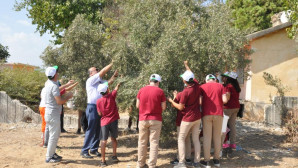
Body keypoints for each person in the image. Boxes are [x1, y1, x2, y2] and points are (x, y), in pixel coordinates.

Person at [81, 62, 118, 158]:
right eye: (95, 70)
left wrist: (114, 76)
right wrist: (113, 63)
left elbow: (109, 82)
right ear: (91, 74)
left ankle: (94, 149)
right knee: (91, 129)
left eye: (97, 69)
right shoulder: (90, 80)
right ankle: (85, 150)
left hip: (98, 107)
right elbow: (102, 72)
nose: (97, 70)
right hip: (92, 107)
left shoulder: (100, 82)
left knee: (98, 129)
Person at [168, 61, 201, 168]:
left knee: (181, 138)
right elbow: (190, 72)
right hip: (197, 117)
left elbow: (180, 107)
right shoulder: (196, 85)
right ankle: (196, 161)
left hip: (188, 118)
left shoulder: (185, 92)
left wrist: (171, 101)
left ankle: (181, 163)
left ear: (185, 80)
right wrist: (186, 65)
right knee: (195, 139)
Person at [44, 66, 73, 163]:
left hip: (50, 113)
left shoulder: (49, 83)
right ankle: (49, 156)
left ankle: (52, 153)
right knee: (53, 136)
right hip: (53, 114)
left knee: (54, 134)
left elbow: (57, 89)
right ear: (55, 74)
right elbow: (59, 101)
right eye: (57, 72)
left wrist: (66, 85)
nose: (58, 73)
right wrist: (68, 97)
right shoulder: (53, 86)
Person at [136, 74, 166, 168]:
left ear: (150, 81)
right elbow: (163, 107)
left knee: (142, 142)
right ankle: (152, 165)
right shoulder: (160, 91)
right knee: (154, 142)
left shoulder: (141, 90)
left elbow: (137, 105)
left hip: (143, 119)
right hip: (156, 119)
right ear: (158, 82)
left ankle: (140, 164)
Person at [200, 74, 228, 168]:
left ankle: (206, 161)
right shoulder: (220, 86)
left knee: (207, 137)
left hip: (206, 114)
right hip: (219, 114)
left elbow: (200, 102)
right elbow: (224, 100)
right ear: (215, 79)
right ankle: (216, 160)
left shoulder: (202, 87)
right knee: (217, 137)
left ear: (207, 80)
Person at [96, 82, 121, 167]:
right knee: (113, 139)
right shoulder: (112, 96)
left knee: (103, 141)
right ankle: (114, 156)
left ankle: (103, 161)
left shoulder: (98, 101)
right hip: (113, 120)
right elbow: (116, 89)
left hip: (104, 122)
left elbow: (99, 113)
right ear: (107, 90)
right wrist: (118, 84)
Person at [169, 90, 192, 166]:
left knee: (181, 139)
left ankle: (180, 158)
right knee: (187, 139)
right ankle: (188, 158)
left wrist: (174, 97)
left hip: (181, 119)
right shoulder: (194, 93)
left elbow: (173, 104)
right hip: (190, 119)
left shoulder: (180, 94)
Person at [221, 72, 241, 149]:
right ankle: (233, 143)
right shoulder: (237, 87)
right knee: (232, 126)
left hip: (227, 108)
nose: (223, 78)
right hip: (236, 107)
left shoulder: (228, 87)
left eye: (225, 77)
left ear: (229, 78)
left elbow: (227, 98)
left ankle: (223, 143)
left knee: (223, 126)